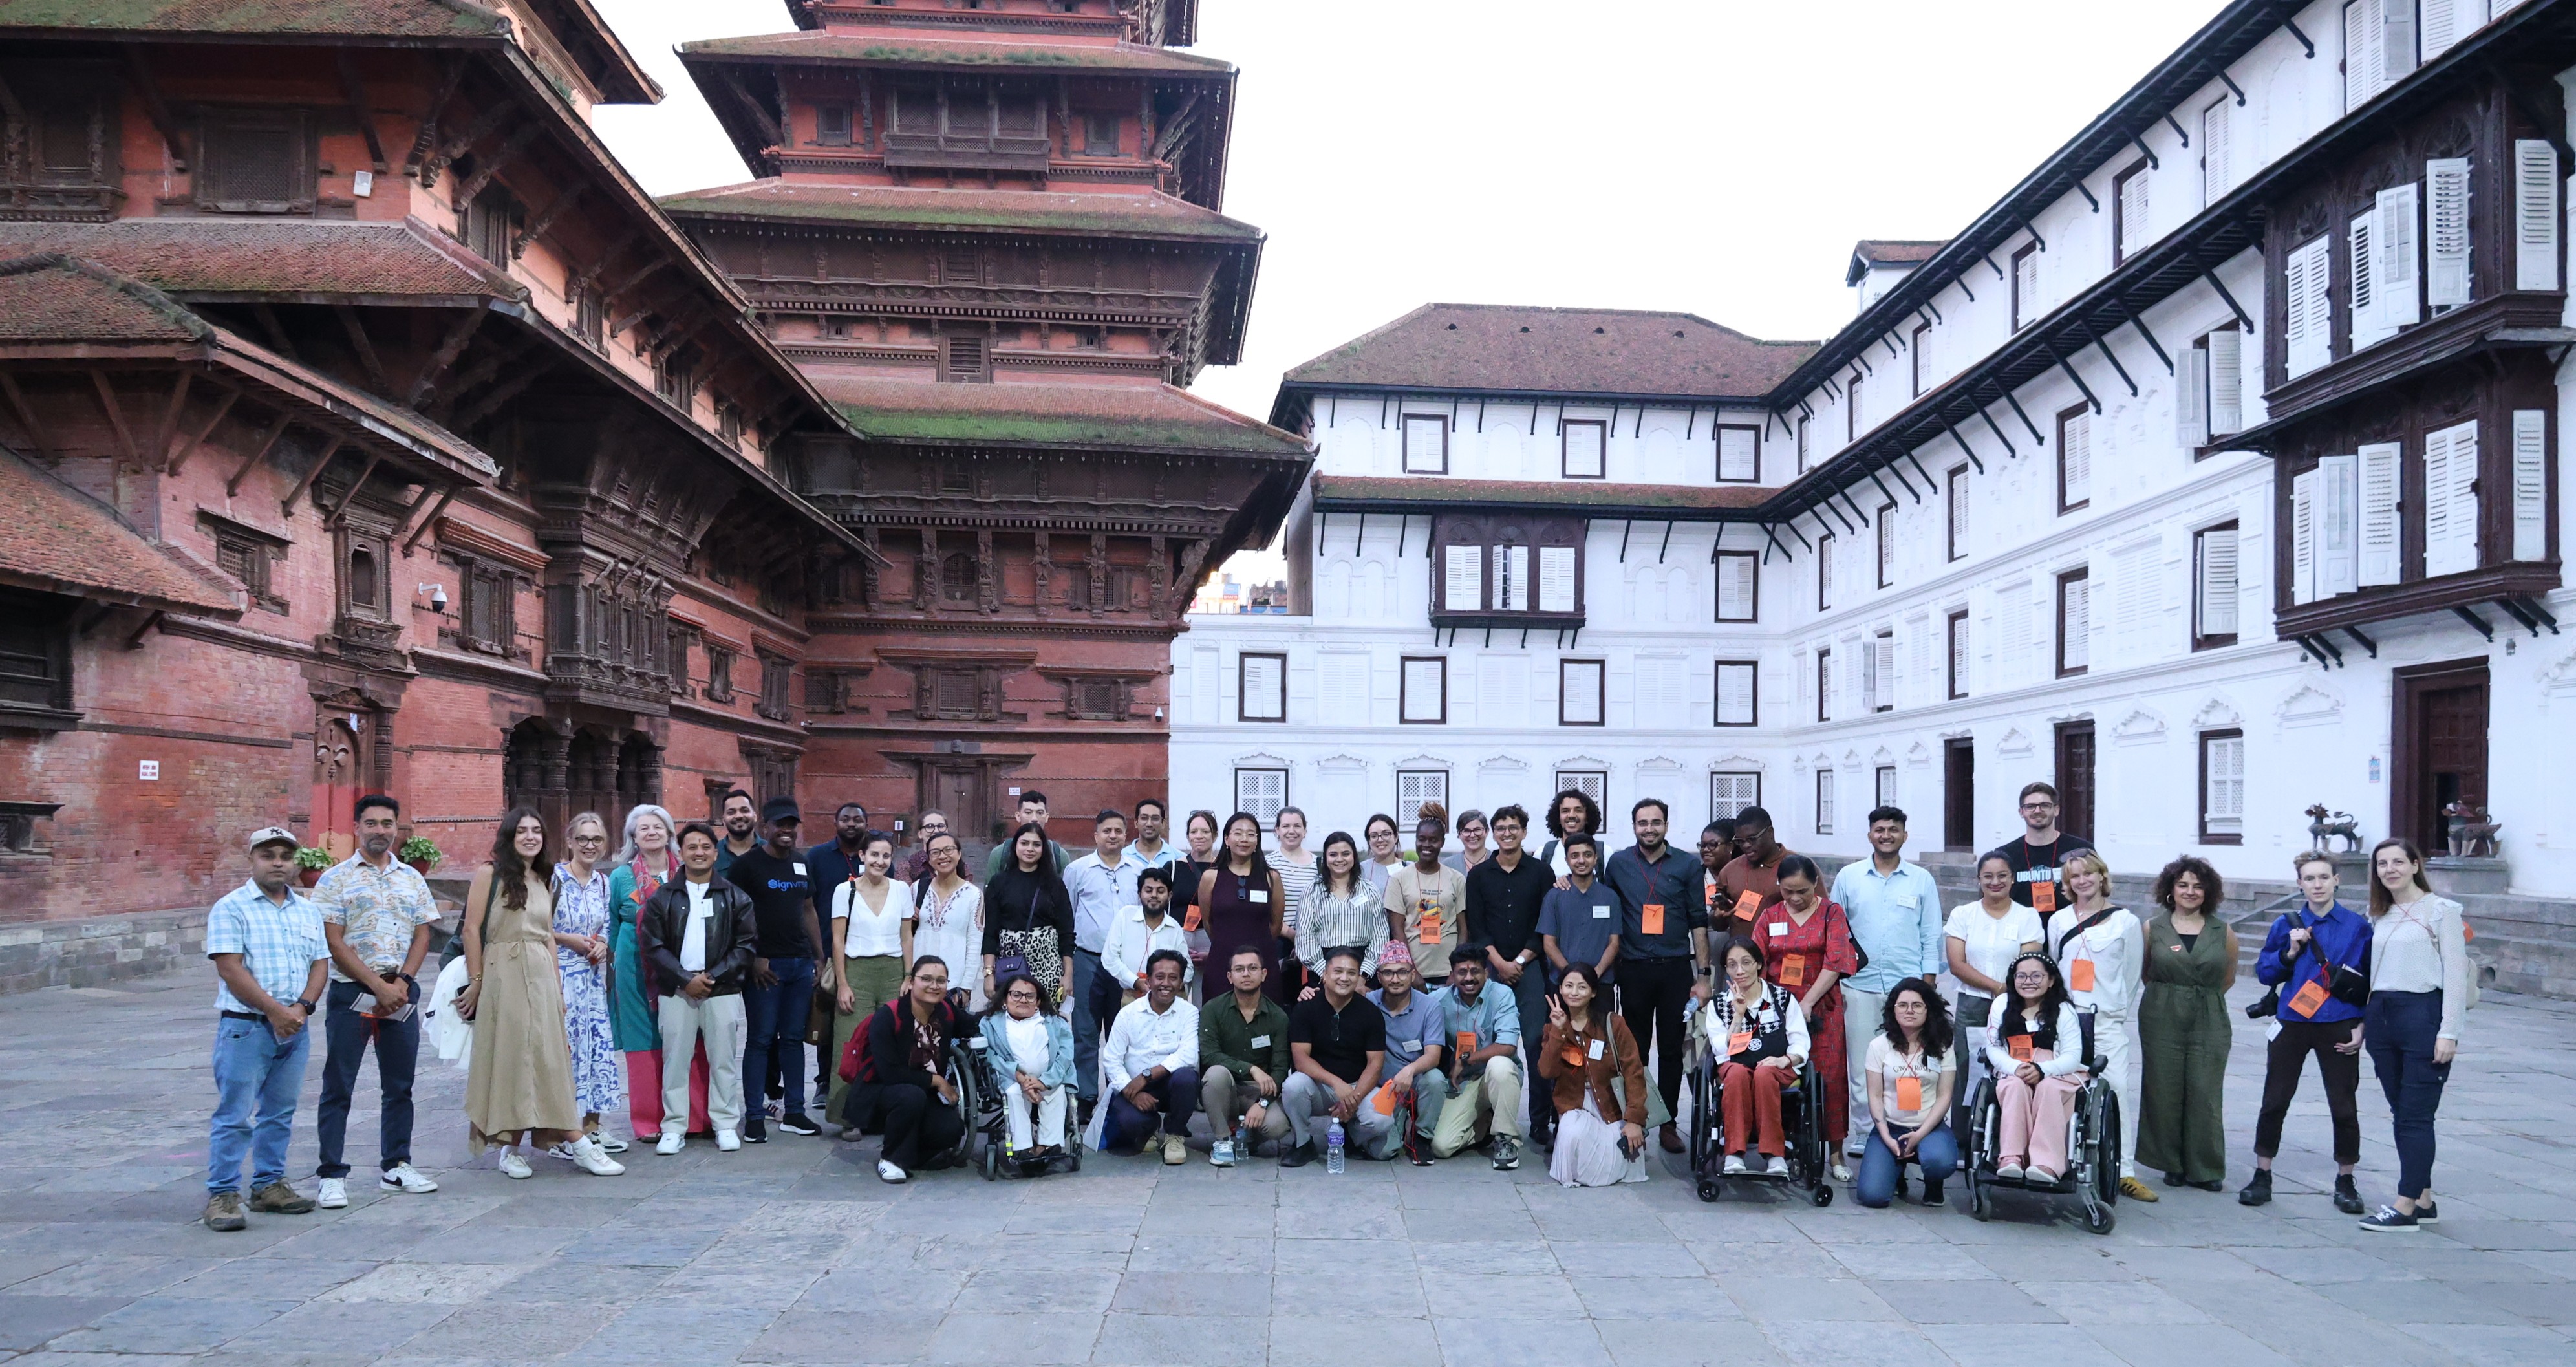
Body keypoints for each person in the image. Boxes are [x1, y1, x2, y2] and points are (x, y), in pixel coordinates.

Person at [460, 808, 621, 1178]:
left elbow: (547, 934)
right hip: (504, 969)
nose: (530, 837)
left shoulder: (543, 877)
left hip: (541, 973)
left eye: (536, 831)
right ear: (509, 836)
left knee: (548, 1057)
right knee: (514, 1057)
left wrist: (557, 989)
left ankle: (522, 1146)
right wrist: (477, 980)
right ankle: (569, 1143)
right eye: (522, 831)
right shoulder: (490, 873)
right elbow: (471, 929)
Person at [311, 793, 440, 1203]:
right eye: (371, 823)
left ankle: (397, 1165)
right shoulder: (335, 879)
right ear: (357, 828)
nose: (380, 831)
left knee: (400, 1084)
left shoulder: (412, 878)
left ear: (396, 828)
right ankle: (332, 1173)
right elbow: (333, 941)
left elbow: (423, 932)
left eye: (387, 823)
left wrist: (402, 982)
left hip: (400, 993)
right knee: (339, 1084)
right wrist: (376, 986)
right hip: (352, 993)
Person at [203, 826, 329, 1231]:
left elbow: (320, 963)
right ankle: (223, 1194)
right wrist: (276, 1011)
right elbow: (230, 968)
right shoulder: (231, 908)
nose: (278, 863)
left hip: (295, 1028)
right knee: (235, 1115)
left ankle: (269, 1184)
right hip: (247, 1027)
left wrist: (303, 1007)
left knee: (279, 1112)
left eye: (285, 856)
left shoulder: (306, 910)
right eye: (268, 855)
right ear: (252, 859)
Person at [2243, 852, 2368, 1213]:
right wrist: (2291, 951)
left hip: (2339, 1021)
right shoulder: (2286, 924)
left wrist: (2363, 1025)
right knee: (2275, 1100)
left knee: (2343, 1105)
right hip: (2292, 1021)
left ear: (2336, 880)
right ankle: (2262, 1174)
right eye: (2310, 878)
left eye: (2324, 877)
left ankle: (2346, 1180)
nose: (2317, 885)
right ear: (2299, 884)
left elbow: (2370, 979)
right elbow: (2265, 973)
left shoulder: (2357, 926)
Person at [2358, 837, 2469, 1232]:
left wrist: (2449, 1032)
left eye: (2398, 862)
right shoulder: (2378, 914)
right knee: (2402, 1112)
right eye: (2382, 864)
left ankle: (2404, 1206)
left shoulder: (2442, 912)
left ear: (2415, 865)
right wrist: (2364, 1023)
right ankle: (2423, 1199)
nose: (2390, 870)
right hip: (2382, 1018)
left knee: (2416, 1116)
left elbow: (2456, 975)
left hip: (2422, 1016)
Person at [1828, 806, 1944, 1166]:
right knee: (1863, 1064)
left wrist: (1927, 987)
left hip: (1907, 990)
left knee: (1910, 1063)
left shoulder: (1921, 880)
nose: (1886, 835)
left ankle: (1911, 1128)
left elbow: (1931, 935)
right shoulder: (1849, 877)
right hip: (1859, 986)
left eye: (1894, 830)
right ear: (1870, 835)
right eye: (1880, 829)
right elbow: (1836, 932)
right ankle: (1867, 1132)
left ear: (1905, 836)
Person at [639, 823, 757, 1154]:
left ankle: (725, 1124)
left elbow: (746, 945)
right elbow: (653, 946)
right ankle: (674, 1127)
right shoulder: (663, 897)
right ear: (680, 853)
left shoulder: (735, 897)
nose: (699, 853)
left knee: (723, 1060)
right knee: (675, 1060)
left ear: (716, 853)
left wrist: (713, 977)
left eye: (706, 847)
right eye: (692, 847)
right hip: (677, 990)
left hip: (722, 990)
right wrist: (684, 979)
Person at [1748, 856, 1860, 1178]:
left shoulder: (1831, 913)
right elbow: (1755, 961)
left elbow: (1836, 961)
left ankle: (1835, 1155)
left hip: (1821, 1007)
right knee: (1781, 1073)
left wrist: (1807, 1003)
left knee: (1829, 1078)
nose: (1795, 898)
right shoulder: (1770, 915)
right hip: (1776, 1009)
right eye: (1788, 891)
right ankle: (1784, 1143)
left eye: (1803, 891)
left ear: (1815, 885)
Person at [1603, 797, 1705, 1152]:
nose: (1649, 829)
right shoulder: (1619, 863)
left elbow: (1698, 921)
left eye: (1656, 822)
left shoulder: (1687, 865)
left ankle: (1669, 1123)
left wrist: (1704, 975)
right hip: (1633, 970)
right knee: (1635, 1050)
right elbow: (1608, 912)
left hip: (1675, 968)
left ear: (1666, 826)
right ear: (1634, 826)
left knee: (1673, 1050)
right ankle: (1639, 1117)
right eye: (1643, 823)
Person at [725, 797, 827, 1143]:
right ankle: (754, 1115)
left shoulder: (800, 863)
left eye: (791, 825)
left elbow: (808, 909)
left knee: (794, 1040)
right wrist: (752, 956)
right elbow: (734, 915)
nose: (786, 830)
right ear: (764, 827)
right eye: (780, 824)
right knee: (760, 1039)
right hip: (765, 967)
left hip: (799, 964)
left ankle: (794, 1112)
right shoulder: (747, 866)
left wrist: (819, 956)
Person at [2051, 849, 2152, 1200]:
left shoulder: (2125, 922)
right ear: (2068, 883)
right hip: (2068, 1017)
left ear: (2102, 876)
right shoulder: (2059, 921)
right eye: (2075, 876)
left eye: (2088, 873)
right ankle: (2058, 1159)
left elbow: (2132, 974)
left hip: (2106, 1018)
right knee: (2061, 1087)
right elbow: (2056, 968)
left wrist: (2115, 1010)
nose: (2083, 881)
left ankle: (2124, 1172)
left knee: (2117, 1088)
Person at [608, 805, 713, 1141]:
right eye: (644, 828)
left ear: (670, 834)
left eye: (658, 827)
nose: (651, 833)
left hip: (683, 966)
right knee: (643, 1039)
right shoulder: (621, 877)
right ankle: (649, 1121)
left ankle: (695, 1117)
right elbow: (612, 925)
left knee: (689, 1036)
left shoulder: (687, 872)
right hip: (633, 967)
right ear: (633, 837)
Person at [2138, 856, 2238, 1192]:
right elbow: (2146, 972)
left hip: (2209, 1015)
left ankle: (2206, 1167)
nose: (2190, 891)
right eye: (2183, 885)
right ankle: (2171, 1163)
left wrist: (2200, 997)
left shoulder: (2223, 931)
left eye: (2198, 886)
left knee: (2205, 1090)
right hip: (2161, 1013)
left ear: (2209, 891)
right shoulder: (2152, 928)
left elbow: (2228, 977)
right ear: (2171, 889)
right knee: (2163, 1088)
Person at [1462, 804, 1554, 1143]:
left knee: (1535, 1042)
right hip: (1490, 969)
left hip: (1530, 968)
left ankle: (1540, 1121)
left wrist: (1519, 961)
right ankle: (1485, 1120)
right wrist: (1500, 964)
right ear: (1493, 833)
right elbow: (1477, 925)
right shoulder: (1479, 875)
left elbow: (1545, 923)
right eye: (1500, 828)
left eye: (1513, 827)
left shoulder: (1541, 872)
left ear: (1524, 832)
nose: (1507, 833)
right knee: (1488, 1043)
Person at [846, 956, 973, 1183]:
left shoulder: (945, 1011)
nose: (934, 986)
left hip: (921, 1094)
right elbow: (889, 1073)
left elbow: (973, 1025)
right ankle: (891, 1159)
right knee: (910, 1095)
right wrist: (937, 1081)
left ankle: (912, 1157)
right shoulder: (889, 1016)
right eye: (926, 979)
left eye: (941, 981)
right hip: (881, 1091)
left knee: (952, 1129)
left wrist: (1010, 1008)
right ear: (912, 982)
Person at [1943, 852, 2043, 1132]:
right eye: (1988, 876)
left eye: (2002, 876)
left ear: (2012, 879)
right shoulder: (1963, 915)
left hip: (2018, 1005)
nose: (1995, 882)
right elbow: (1957, 964)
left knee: (2016, 1064)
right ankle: (1963, 1135)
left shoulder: (2027, 916)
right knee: (1968, 1068)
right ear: (1979, 879)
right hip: (1973, 1004)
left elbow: (2029, 963)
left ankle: (2010, 1133)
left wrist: (2009, 992)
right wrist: (1997, 987)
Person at [548, 812, 626, 1158]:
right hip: (561, 976)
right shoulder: (554, 879)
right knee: (568, 1051)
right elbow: (536, 926)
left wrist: (602, 944)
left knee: (596, 1049)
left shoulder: (602, 883)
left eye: (596, 839)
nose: (589, 846)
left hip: (593, 979)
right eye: (582, 839)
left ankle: (592, 1127)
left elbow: (607, 924)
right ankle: (561, 1133)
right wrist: (569, 939)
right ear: (569, 841)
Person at [1703, 934, 1809, 1177]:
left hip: (1777, 1065)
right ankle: (1734, 1152)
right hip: (1735, 1065)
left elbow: (1800, 1041)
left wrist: (1785, 1060)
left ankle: (1775, 1154)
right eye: (1732, 965)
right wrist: (1738, 1016)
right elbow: (1720, 1050)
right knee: (1737, 1074)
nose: (1740, 971)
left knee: (1764, 1073)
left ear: (1759, 964)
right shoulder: (1718, 1005)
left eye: (1746, 963)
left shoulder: (1782, 998)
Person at [1536, 962, 1648, 1189]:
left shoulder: (1613, 1024)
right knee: (1572, 1131)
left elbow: (1634, 1072)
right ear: (1560, 989)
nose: (1574, 992)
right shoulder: (1552, 1028)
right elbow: (1546, 1071)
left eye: (1582, 987)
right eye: (1569, 986)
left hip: (1611, 1106)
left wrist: (1635, 1120)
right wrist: (1559, 1030)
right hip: (1574, 1105)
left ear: (1593, 992)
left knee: (1614, 1159)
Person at [828, 832, 914, 1123]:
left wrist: (908, 975)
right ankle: (845, 1116)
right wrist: (842, 983)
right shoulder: (845, 891)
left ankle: (887, 1114)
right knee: (850, 1043)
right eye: (874, 855)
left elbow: (906, 936)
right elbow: (838, 940)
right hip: (857, 973)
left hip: (892, 972)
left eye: (886, 856)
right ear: (862, 856)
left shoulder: (901, 890)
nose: (880, 861)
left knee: (892, 1045)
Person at [1281, 947, 1392, 1167]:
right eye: (1338, 971)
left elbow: (1375, 1064)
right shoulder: (1306, 1008)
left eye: (1352, 973)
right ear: (1324, 975)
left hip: (1358, 1086)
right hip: (1319, 1087)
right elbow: (1301, 1060)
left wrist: (1354, 1098)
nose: (1344, 978)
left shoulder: (1370, 1013)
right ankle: (1303, 1144)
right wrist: (1336, 1083)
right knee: (1293, 1086)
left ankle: (1350, 1135)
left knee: (1382, 1119)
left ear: (1359, 977)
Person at [1065, 809, 1144, 1117]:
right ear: (1096, 835)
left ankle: (1118, 1093)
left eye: (1118, 831)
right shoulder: (1077, 870)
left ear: (1126, 835)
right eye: (1107, 831)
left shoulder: (1138, 870)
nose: (1113, 836)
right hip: (1088, 958)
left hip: (1125, 962)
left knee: (1122, 1030)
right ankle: (1086, 1096)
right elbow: (1069, 914)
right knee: (1085, 1029)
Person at [1986, 951, 2087, 1183]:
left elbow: (2073, 1056)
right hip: (2015, 1069)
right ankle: (2011, 1158)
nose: (2028, 982)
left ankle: (2047, 1163)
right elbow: (1993, 1047)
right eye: (2021, 976)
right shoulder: (2002, 1004)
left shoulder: (2064, 1010)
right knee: (2014, 1087)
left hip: (2057, 1071)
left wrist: (2043, 1071)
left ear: (2050, 980)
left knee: (2048, 1089)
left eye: (2036, 976)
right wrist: (2015, 1068)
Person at [1857, 978, 1958, 1208]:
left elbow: (1945, 1095)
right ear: (1893, 1010)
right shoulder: (1879, 1046)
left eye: (1917, 1005)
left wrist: (1920, 1134)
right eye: (1902, 1005)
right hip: (1890, 1127)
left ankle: (1934, 1181)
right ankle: (1896, 1171)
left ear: (1928, 1010)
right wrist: (1886, 1136)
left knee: (1939, 1162)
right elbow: (1875, 1096)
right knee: (1872, 1197)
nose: (1909, 1010)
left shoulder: (1943, 1045)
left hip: (1929, 1126)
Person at [1428, 945, 1525, 1168]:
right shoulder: (1439, 1000)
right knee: (1441, 1146)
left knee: (1499, 1065)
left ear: (1487, 973)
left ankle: (1507, 1140)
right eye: (1462, 972)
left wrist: (1466, 1060)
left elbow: (1508, 1046)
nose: (1469, 978)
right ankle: (1486, 1125)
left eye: (1475, 971)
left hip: (1498, 1077)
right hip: (1465, 1083)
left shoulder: (1501, 995)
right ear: (1452, 975)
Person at [1100, 951, 1201, 1161]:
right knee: (1129, 1122)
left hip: (1171, 1084)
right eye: (1159, 977)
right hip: (1135, 1087)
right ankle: (1150, 1128)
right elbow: (1111, 1059)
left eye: (1173, 978)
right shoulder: (1128, 1014)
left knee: (1187, 1079)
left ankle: (1175, 1134)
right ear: (1148, 981)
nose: (1166, 984)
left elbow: (1189, 1055)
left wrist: (1147, 1076)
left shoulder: (1189, 1012)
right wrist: (1131, 1092)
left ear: (1181, 983)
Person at [1200, 945, 1294, 1165]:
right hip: (1226, 1087)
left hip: (1258, 1090)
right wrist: (1251, 1069)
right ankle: (1223, 1141)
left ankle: (1248, 1137)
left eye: (1253, 968)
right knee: (1215, 1074)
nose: (1246, 974)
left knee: (1278, 1126)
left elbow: (1281, 1069)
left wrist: (1263, 1104)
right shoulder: (1213, 1009)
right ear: (1230, 977)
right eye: (1239, 969)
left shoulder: (1278, 1017)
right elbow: (1209, 1055)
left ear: (1264, 974)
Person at [982, 821, 1077, 1029]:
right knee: (1010, 1025)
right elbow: (990, 933)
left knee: (1045, 1026)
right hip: (1010, 966)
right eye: (1024, 843)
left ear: (1044, 849)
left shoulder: (1054, 884)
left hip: (1048, 967)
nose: (1030, 849)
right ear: (1015, 846)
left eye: (1036, 844)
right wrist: (989, 974)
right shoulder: (999, 882)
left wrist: (1068, 975)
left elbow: (1067, 933)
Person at [980, 974, 1076, 1173]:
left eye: (1030, 996)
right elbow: (990, 1055)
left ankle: (1046, 1146)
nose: (1023, 1000)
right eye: (1016, 995)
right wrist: (1020, 1078)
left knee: (1057, 1091)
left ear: (1038, 1001)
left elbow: (1066, 1054)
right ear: (1005, 999)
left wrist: (1044, 1082)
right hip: (1011, 1078)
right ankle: (1023, 1149)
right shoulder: (990, 1023)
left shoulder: (1053, 1022)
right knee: (1014, 1093)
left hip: (1049, 1078)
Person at [1194, 812, 1287, 1006]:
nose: (1244, 839)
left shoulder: (1272, 878)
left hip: (1262, 963)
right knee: (1220, 1016)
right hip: (1222, 961)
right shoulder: (1211, 877)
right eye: (1238, 833)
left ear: (1257, 841)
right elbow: (1209, 922)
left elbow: (1275, 925)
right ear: (1226, 839)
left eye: (1251, 834)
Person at [1366, 942, 1447, 1162]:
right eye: (1388, 973)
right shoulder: (1369, 1003)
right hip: (1380, 1086)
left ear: (1413, 975)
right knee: (1384, 1152)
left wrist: (1409, 1071)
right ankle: (1399, 1127)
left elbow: (1433, 1056)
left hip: (1415, 1080)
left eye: (1402, 972)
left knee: (1435, 1079)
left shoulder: (1430, 1007)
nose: (1396, 979)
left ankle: (1422, 1136)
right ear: (1379, 977)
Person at [1987, 782, 2095, 926]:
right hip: (2019, 932)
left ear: (2056, 810)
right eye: (2030, 806)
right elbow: (1992, 899)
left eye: (2045, 805)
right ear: (2021, 812)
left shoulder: (2081, 850)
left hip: (2071, 931)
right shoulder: (2004, 855)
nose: (2038, 810)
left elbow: (2097, 894)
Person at [1294, 831, 1390, 987]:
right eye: (1333, 855)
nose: (1340, 859)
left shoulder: (1370, 890)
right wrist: (1326, 973)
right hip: (1322, 970)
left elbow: (1381, 936)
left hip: (1363, 969)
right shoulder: (1312, 890)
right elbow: (1305, 936)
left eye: (1346, 854)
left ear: (1354, 857)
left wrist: (1363, 975)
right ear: (1325, 858)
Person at [1384, 805, 1465, 986]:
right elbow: (1397, 931)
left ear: (1442, 842)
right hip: (1413, 971)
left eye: (1433, 840)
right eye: (1422, 839)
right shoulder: (1399, 880)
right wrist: (1411, 971)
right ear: (1416, 841)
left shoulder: (1457, 878)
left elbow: (1463, 930)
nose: (1427, 845)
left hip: (1448, 972)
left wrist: (1457, 970)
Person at [909, 830, 985, 1013]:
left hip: (953, 984)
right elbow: (906, 935)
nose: (942, 856)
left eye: (948, 850)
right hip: (919, 981)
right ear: (928, 858)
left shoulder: (973, 894)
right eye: (935, 852)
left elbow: (975, 943)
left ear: (959, 854)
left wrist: (966, 987)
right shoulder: (917, 889)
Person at [1538, 833, 1624, 991]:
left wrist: (1595, 974)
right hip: (1562, 983)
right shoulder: (1554, 896)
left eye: (1588, 855)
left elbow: (1614, 943)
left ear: (1596, 858)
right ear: (1567, 860)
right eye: (1575, 856)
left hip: (1601, 982)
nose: (1582, 860)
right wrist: (1571, 976)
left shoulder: (1610, 897)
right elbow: (1549, 944)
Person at [1105, 866, 1192, 1001]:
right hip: (1133, 995)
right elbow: (1109, 958)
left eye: (1160, 891)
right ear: (1139, 894)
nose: (1154, 895)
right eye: (1149, 890)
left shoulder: (1174, 926)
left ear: (1169, 896)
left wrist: (1167, 984)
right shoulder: (1125, 916)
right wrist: (1136, 982)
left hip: (1170, 998)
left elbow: (1188, 968)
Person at [1710, 805, 1788, 931]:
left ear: (1770, 833)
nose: (1746, 845)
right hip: (1740, 944)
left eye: (1752, 839)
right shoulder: (1729, 871)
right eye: (1740, 841)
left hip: (1782, 943)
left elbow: (1818, 914)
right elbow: (1718, 924)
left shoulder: (1798, 866)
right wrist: (1718, 916)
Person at [1270, 806, 1318, 999]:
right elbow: (1265, 909)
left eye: (1297, 826)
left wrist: (1305, 940)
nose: (1292, 831)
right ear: (1277, 830)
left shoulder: (1319, 864)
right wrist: (1293, 935)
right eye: (1286, 826)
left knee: (1308, 998)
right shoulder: (1267, 864)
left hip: (1312, 943)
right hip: (1278, 942)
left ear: (1305, 830)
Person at [983, 790, 1072, 883]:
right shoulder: (1000, 855)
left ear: (1046, 817)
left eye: (1040, 813)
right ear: (1018, 816)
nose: (1034, 819)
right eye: (1028, 813)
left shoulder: (1059, 856)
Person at [1536, 788, 1602, 880]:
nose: (1571, 815)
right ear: (1558, 818)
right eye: (1565, 811)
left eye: (1578, 810)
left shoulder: (1604, 852)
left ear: (1588, 817)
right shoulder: (1543, 853)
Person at [713, 788, 759, 879]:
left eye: (745, 811)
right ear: (724, 820)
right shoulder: (712, 852)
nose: (739, 816)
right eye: (731, 812)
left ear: (755, 816)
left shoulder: (769, 851)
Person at [1359, 813, 1404, 901]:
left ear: (1396, 837)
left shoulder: (1409, 868)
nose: (1380, 840)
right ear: (1369, 841)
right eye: (1374, 836)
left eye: (1386, 834)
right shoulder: (1361, 869)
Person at [899, 810, 947, 883]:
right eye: (930, 826)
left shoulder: (958, 865)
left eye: (941, 826)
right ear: (920, 833)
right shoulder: (907, 866)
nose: (936, 831)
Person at [1130, 798, 1178, 870]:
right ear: (1136, 822)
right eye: (1144, 818)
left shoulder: (1178, 858)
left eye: (1155, 819)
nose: (1149, 824)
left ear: (1163, 823)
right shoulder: (1122, 857)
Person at [1444, 810, 1490, 875]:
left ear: (1487, 831)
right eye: (1466, 831)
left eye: (1477, 830)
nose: (1472, 835)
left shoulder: (1499, 862)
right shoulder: (1448, 866)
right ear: (1459, 834)